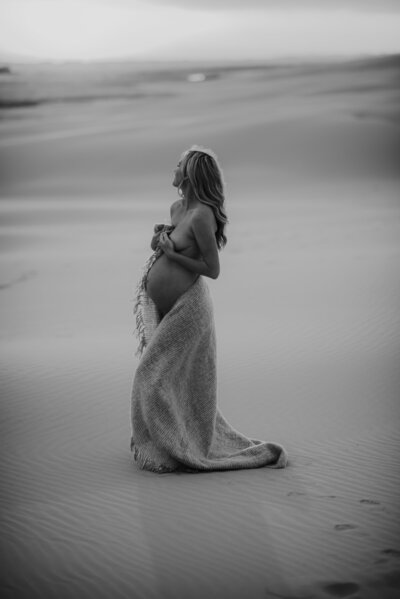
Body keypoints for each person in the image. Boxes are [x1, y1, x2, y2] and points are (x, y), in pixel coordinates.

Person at [130, 146, 287, 473]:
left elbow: (211, 268)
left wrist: (172, 255)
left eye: (179, 163)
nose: (173, 167)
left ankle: (174, 448)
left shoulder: (203, 215)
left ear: (190, 175)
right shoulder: (177, 209)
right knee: (169, 379)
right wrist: (160, 240)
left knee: (151, 375)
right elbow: (168, 247)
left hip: (190, 309)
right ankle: (166, 444)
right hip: (166, 305)